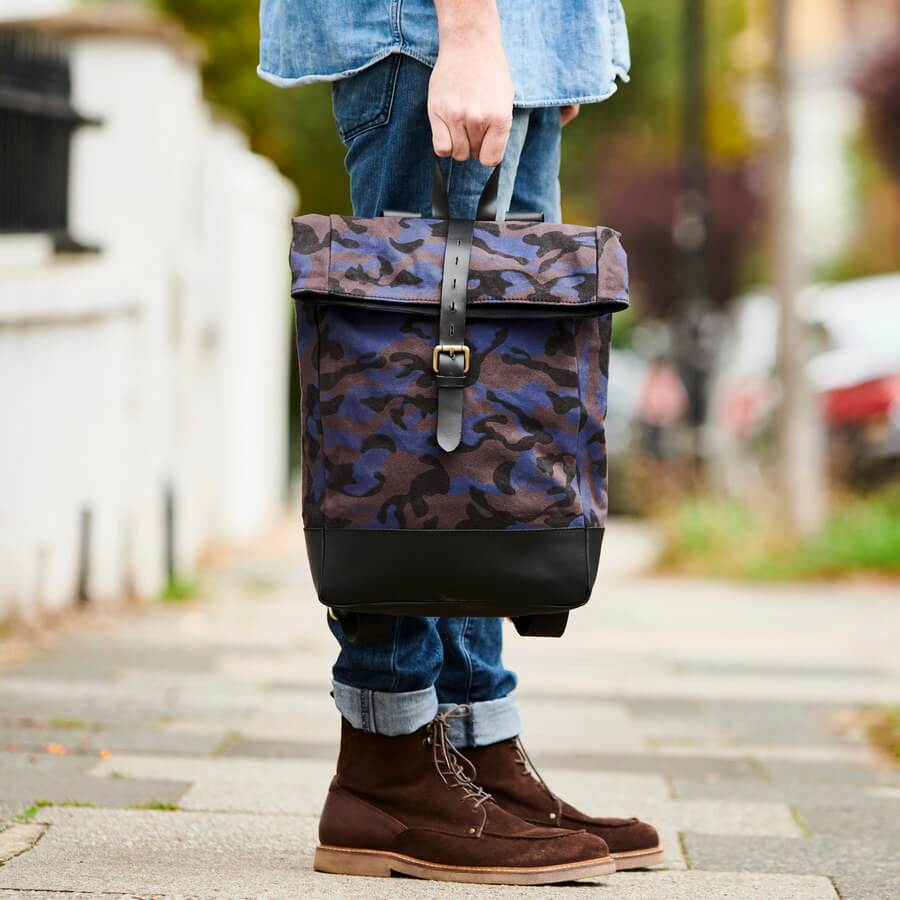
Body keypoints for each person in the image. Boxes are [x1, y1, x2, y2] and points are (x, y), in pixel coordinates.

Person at [259, 0, 663, 885]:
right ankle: (388, 751)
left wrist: (564, 42)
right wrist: (473, 31)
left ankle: (473, 741)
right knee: (413, 406)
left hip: (520, 42)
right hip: (435, 32)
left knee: (488, 431)